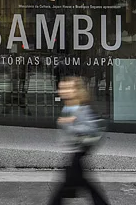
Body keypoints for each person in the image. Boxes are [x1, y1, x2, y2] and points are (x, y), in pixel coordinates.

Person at [48, 76, 109, 205]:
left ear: (76, 90)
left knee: (69, 183)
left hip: (81, 149)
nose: (64, 91)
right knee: (82, 181)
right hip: (75, 149)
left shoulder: (81, 109)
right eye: (62, 88)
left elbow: (91, 128)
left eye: (68, 88)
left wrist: (72, 123)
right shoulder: (68, 107)